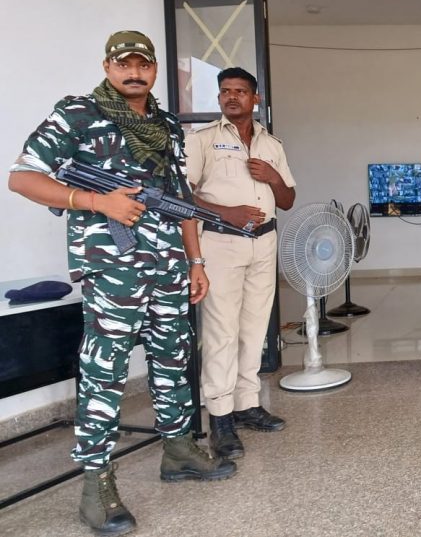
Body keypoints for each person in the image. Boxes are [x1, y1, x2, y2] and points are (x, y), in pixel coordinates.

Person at [8, 30, 236, 537]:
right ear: (108, 67)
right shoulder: (77, 115)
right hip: (113, 269)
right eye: (124, 64)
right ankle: (96, 486)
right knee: (105, 370)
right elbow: (22, 178)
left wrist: (196, 261)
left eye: (143, 64)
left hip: (170, 266)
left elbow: (180, 200)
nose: (134, 72)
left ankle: (178, 450)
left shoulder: (166, 127)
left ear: (154, 69)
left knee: (175, 358)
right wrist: (97, 202)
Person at [185, 67, 296, 459]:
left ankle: (247, 404)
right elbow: (183, 197)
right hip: (221, 244)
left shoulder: (271, 144)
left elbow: (287, 200)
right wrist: (224, 213)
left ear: (255, 99)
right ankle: (219, 418)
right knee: (221, 331)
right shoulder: (201, 141)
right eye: (225, 91)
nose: (232, 97)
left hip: (264, 244)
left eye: (240, 92)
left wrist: (271, 178)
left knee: (254, 328)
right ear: (219, 99)